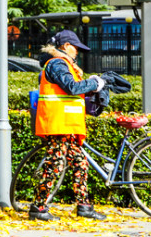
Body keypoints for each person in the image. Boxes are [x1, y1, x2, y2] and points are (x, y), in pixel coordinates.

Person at [30, 30, 106, 222]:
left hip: (66, 124)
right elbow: (71, 87)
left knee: (80, 162)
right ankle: (38, 208)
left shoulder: (66, 65)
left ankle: (84, 207)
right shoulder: (57, 64)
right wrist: (93, 83)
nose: (78, 51)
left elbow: (72, 92)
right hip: (57, 123)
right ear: (65, 46)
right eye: (75, 47)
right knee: (56, 163)